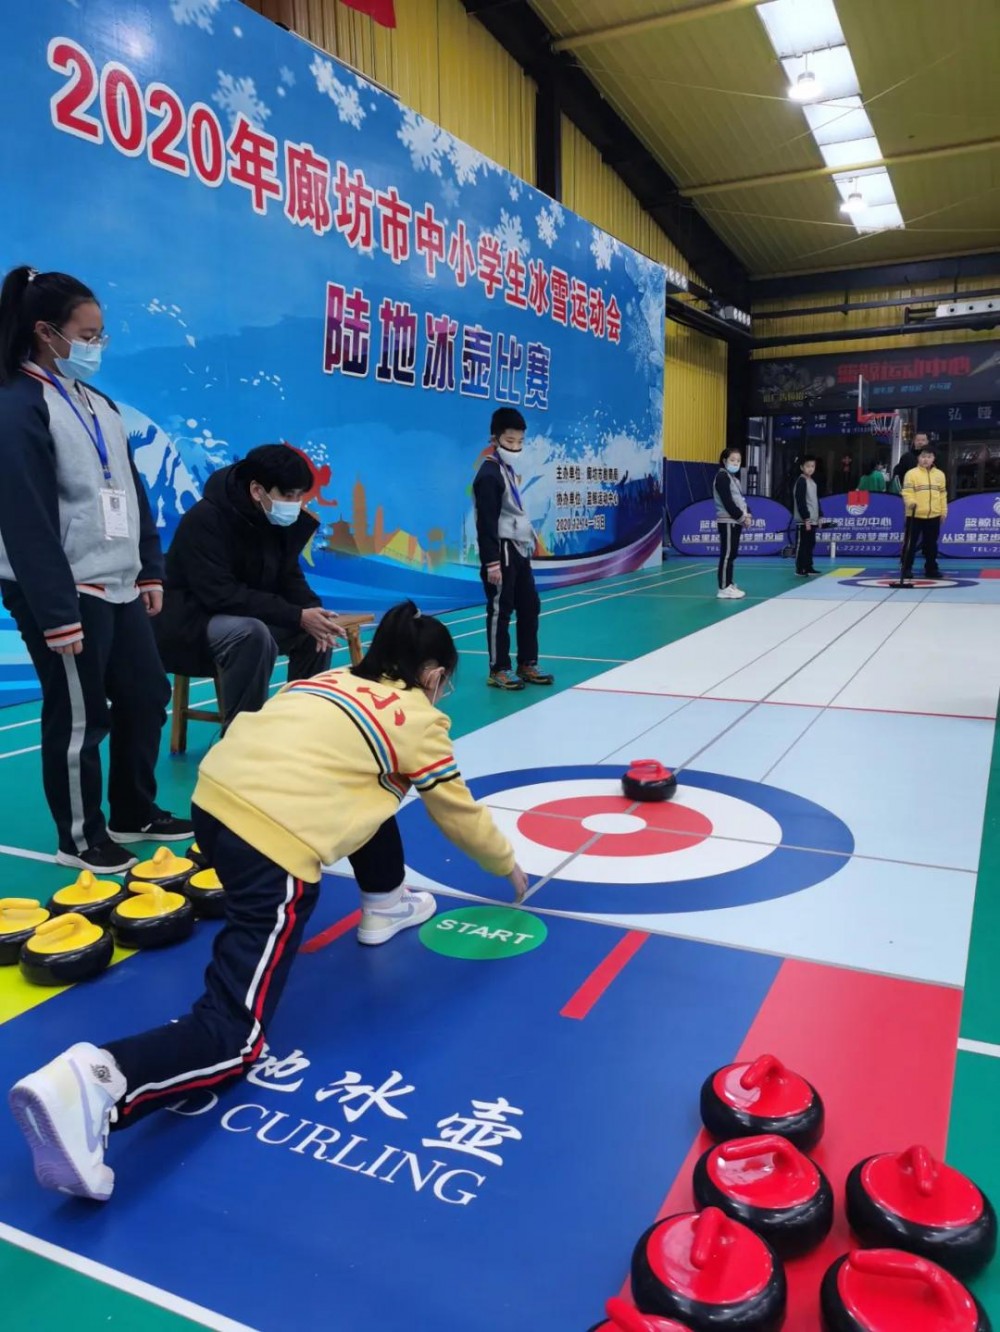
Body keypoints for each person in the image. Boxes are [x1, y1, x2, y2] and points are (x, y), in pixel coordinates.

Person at [9, 600, 528, 1203]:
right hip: (270, 844)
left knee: (373, 780)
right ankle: (97, 1081)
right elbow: (457, 812)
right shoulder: (419, 720)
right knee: (236, 1034)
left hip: (213, 804)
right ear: (434, 676)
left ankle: (385, 901)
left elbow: (352, 781)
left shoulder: (332, 680)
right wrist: (506, 864)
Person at [0, 267, 191, 874]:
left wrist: (149, 569)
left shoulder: (98, 404)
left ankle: (134, 811)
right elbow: (24, 518)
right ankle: (80, 838)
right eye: (87, 336)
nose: (97, 346)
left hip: (117, 583)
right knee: (82, 715)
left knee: (146, 694)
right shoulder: (17, 404)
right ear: (45, 332)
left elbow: (131, 495)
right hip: (62, 590)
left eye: (100, 335)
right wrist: (57, 614)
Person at [155, 444, 345, 729]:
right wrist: (296, 615)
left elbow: (289, 576)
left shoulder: (273, 520)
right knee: (251, 634)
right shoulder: (206, 519)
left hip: (245, 614)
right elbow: (220, 594)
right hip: (193, 622)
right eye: (288, 496)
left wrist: (312, 611)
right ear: (257, 490)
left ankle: (301, 728)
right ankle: (243, 737)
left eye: (299, 497)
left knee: (314, 632)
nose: (295, 504)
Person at [473, 407, 554, 691]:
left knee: (530, 606)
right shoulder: (488, 474)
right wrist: (492, 563)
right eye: (510, 441)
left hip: (519, 551)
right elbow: (486, 523)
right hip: (502, 552)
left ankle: (527, 662)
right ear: (494, 439)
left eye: (520, 442)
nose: (516, 447)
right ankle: (499, 668)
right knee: (501, 610)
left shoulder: (507, 470)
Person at [901, 442, 948, 579]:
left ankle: (931, 569)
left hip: (934, 515)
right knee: (910, 544)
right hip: (914, 515)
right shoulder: (911, 474)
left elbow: (943, 495)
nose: (925, 459)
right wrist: (911, 502)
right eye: (923, 456)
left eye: (929, 457)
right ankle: (906, 568)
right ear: (918, 458)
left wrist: (943, 512)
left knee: (931, 545)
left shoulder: (940, 475)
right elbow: (907, 492)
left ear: (933, 458)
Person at [713, 448, 751, 599]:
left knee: (732, 554)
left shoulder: (733, 479)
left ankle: (728, 583)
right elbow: (728, 502)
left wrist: (748, 513)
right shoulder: (722, 477)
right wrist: (742, 518)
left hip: (735, 521)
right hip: (728, 521)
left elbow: (740, 499)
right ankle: (723, 588)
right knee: (727, 555)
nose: (735, 463)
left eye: (738, 460)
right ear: (724, 461)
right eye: (732, 460)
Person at [792, 455, 822, 576]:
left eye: (812, 466)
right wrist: (806, 518)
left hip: (813, 519)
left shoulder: (812, 482)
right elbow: (801, 501)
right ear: (801, 467)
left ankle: (808, 566)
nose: (810, 468)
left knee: (810, 544)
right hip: (804, 520)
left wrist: (820, 515)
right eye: (808, 466)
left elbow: (815, 500)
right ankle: (800, 568)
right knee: (802, 544)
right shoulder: (801, 481)